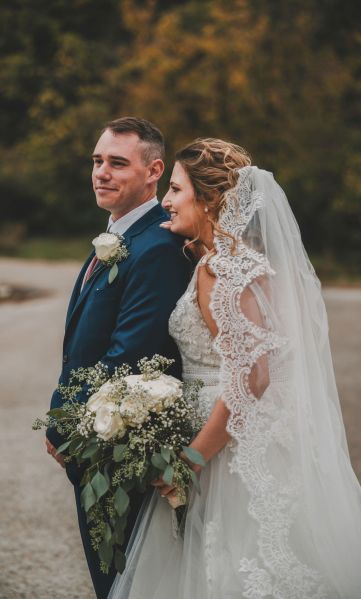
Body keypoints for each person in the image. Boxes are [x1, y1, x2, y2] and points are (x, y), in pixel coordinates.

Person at [108, 138, 361, 599]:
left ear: (209, 201)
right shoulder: (240, 262)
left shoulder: (221, 268)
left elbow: (252, 376)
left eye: (178, 190)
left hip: (225, 451)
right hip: (244, 437)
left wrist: (192, 459)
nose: (165, 199)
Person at [45, 116, 191, 598]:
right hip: (93, 442)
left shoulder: (158, 247)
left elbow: (130, 354)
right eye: (97, 160)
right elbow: (81, 347)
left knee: (122, 581)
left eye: (117, 163)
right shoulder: (119, 237)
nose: (101, 172)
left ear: (154, 171)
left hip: (116, 449)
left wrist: (66, 426)